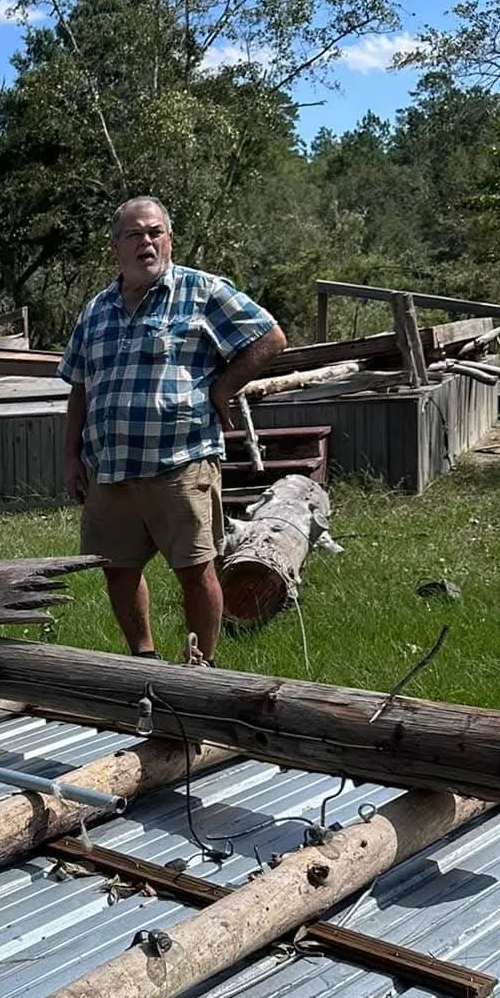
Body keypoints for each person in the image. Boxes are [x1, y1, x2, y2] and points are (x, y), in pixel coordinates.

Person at [60, 196, 287, 664]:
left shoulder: (202, 291)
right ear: (114, 247)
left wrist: (222, 390)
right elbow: (80, 386)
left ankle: (199, 669)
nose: (146, 241)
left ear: (169, 239)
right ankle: (143, 660)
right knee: (117, 569)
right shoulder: (96, 310)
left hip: (180, 461)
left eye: (155, 232)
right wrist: (71, 454)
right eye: (134, 234)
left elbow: (269, 337)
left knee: (195, 568)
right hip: (111, 469)